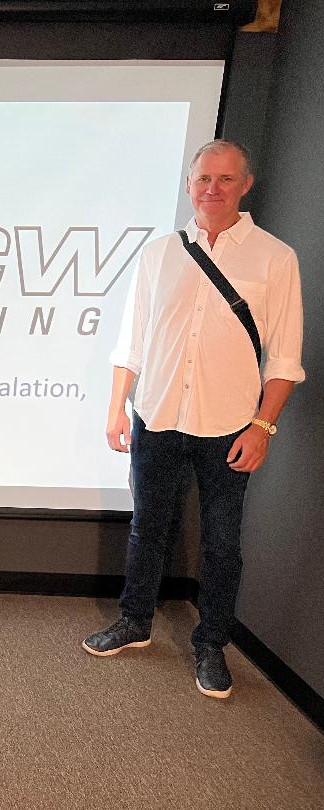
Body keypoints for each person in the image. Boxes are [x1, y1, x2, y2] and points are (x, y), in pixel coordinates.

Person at [83, 139, 304, 698]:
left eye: (225, 179)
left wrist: (263, 426)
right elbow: (132, 338)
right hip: (157, 415)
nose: (213, 189)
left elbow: (284, 358)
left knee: (222, 544)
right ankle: (135, 623)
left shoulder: (275, 258)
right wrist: (116, 408)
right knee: (147, 530)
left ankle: (211, 645)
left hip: (230, 425)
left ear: (244, 185)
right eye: (204, 178)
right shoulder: (159, 253)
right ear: (189, 184)